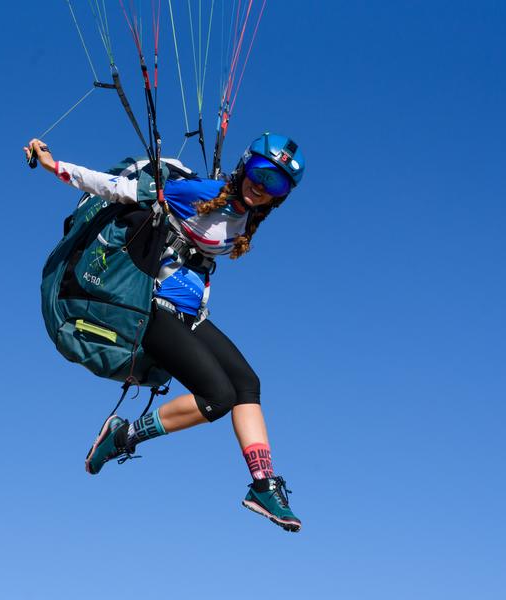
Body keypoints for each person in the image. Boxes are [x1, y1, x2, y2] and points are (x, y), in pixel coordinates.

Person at [24, 133, 305, 532]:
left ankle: (262, 484)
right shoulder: (202, 192)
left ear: (281, 196)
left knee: (247, 382)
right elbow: (116, 189)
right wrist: (55, 167)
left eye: (275, 183)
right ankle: (121, 438)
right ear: (246, 165)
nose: (261, 186)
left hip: (188, 315)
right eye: (260, 173)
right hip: (151, 309)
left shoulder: (243, 215)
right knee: (218, 397)